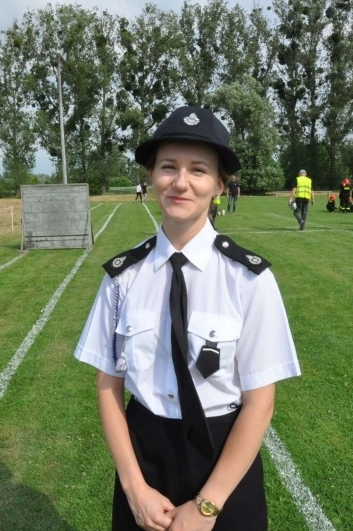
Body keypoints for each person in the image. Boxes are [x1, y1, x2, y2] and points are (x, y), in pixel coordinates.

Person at [74, 106, 300, 531]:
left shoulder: (249, 280)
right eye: (168, 167)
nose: (180, 182)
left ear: (219, 185)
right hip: (144, 461)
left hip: (224, 462)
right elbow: (109, 385)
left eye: (198, 170)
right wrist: (133, 488)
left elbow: (260, 402)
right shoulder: (122, 278)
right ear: (150, 177)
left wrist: (208, 506)